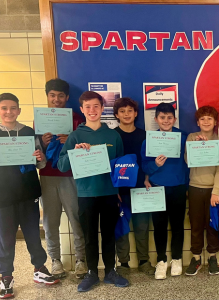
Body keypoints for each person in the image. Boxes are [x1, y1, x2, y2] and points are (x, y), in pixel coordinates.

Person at [58, 91, 128, 292]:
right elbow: (62, 166)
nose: (92, 110)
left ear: (102, 108)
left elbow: (122, 166)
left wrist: (119, 188)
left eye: (96, 106)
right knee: (89, 236)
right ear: (82, 110)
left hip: (108, 193)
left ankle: (110, 271)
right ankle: (91, 273)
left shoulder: (113, 135)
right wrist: (75, 153)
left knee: (108, 234)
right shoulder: (75, 136)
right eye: (87, 107)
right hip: (86, 194)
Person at [0, 93, 60, 300]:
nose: (8, 112)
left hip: (28, 192)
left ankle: (39, 268)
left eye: (13, 108)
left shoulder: (28, 132)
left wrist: (41, 157)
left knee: (33, 233)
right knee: (5, 238)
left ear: (18, 110)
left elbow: (40, 164)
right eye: (4, 108)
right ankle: (5, 276)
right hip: (3, 196)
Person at [36, 78, 87, 279]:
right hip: (47, 176)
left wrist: (71, 139)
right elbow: (34, 151)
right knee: (50, 221)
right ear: (47, 97)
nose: (56, 99)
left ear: (67, 97)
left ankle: (81, 260)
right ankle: (55, 260)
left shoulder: (76, 120)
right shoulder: (39, 119)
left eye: (60, 96)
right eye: (52, 95)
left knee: (76, 218)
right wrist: (42, 141)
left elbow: (83, 149)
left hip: (71, 176)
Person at [141, 103, 189, 279]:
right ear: (156, 119)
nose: (166, 121)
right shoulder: (149, 140)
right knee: (159, 226)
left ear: (174, 119)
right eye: (162, 117)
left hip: (178, 187)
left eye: (170, 117)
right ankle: (161, 260)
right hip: (157, 188)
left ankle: (176, 258)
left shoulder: (183, 138)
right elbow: (144, 165)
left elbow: (191, 160)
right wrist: (155, 165)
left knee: (177, 225)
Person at [112, 98, 155, 276]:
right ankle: (123, 263)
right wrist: (114, 191)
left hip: (140, 188)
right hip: (119, 191)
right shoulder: (112, 136)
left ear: (136, 113)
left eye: (130, 110)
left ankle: (144, 261)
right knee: (122, 227)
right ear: (116, 115)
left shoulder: (144, 135)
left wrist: (146, 178)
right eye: (122, 111)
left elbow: (148, 160)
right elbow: (109, 165)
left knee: (142, 226)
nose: (127, 114)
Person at [184, 106, 219, 276]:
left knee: (212, 225)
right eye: (203, 119)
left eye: (209, 119)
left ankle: (212, 257)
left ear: (215, 122)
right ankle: (196, 258)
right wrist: (198, 147)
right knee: (195, 224)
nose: (206, 122)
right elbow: (188, 161)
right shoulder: (191, 138)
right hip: (195, 187)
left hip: (213, 190)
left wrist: (216, 191)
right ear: (198, 122)